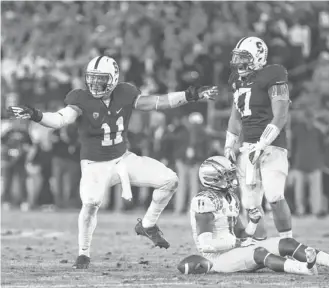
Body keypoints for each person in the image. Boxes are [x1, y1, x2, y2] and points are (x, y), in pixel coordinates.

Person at [7, 56, 218, 269]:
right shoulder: (81, 99)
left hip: (122, 160)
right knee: (90, 204)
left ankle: (147, 224)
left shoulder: (125, 93)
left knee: (170, 180)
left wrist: (189, 95)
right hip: (94, 165)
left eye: (101, 80)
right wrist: (36, 115)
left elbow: (156, 102)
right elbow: (61, 119)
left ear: (114, 78)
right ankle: (83, 253)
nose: (95, 84)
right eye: (92, 79)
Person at [189, 156, 329, 274]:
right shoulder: (204, 201)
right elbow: (207, 245)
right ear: (213, 179)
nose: (231, 179)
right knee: (259, 251)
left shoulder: (230, 198)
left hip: (235, 249)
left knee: (286, 242)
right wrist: (239, 242)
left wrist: (252, 222)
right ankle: (303, 268)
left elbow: (242, 234)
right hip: (217, 259)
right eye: (226, 176)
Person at [224, 36, 293, 239]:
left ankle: (287, 243)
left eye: (244, 58)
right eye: (236, 58)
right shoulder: (237, 81)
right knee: (250, 204)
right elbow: (235, 115)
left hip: (272, 145)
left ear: (258, 57)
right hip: (247, 147)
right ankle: (259, 245)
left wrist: (262, 143)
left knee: (274, 196)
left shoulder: (274, 74)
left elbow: (280, 114)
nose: (238, 63)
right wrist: (229, 145)